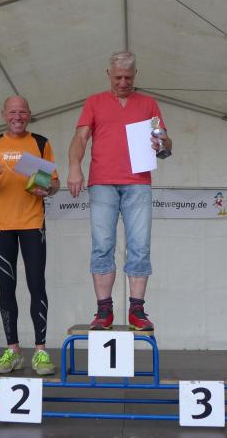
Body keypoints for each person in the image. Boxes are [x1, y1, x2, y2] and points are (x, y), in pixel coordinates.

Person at [67, 51, 173, 331]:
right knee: (102, 244)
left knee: (140, 245)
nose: (123, 83)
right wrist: (75, 166)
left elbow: (165, 142)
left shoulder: (148, 104)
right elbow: (80, 137)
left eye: (128, 77)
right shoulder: (95, 102)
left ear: (136, 74)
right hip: (102, 181)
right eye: (117, 77)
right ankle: (104, 311)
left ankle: (137, 310)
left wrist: (162, 143)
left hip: (138, 182)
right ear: (108, 74)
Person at [0, 96, 60, 375]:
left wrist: (47, 188)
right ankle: (13, 351)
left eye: (22, 112)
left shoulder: (41, 143)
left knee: (37, 285)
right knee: (6, 288)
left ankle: (40, 351)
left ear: (29, 115)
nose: (18, 116)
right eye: (12, 112)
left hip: (33, 223)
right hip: (2, 225)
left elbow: (54, 183)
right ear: (3, 114)